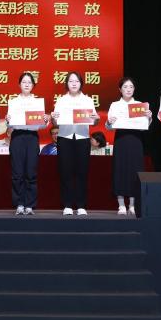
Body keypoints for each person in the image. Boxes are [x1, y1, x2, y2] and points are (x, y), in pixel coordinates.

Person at [51, 71, 97, 216]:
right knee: (66, 172)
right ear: (67, 83)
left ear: (81, 83)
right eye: (71, 81)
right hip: (65, 138)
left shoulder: (88, 100)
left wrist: (96, 119)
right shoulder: (61, 100)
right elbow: (55, 123)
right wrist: (53, 118)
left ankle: (81, 205)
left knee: (82, 172)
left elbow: (94, 121)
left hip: (82, 138)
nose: (74, 83)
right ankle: (68, 205)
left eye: (76, 81)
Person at [105, 77, 152, 216]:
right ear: (120, 89)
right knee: (120, 170)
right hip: (121, 139)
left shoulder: (140, 105)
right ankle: (121, 205)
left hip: (136, 140)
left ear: (134, 89)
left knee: (135, 171)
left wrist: (149, 117)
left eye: (131, 87)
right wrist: (109, 121)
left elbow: (143, 127)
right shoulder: (115, 105)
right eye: (125, 87)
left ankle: (132, 204)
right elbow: (108, 127)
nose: (128, 89)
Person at [5, 72, 50, 216]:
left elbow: (41, 126)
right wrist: (8, 120)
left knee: (31, 172)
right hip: (17, 137)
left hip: (32, 137)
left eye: (29, 82)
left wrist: (45, 120)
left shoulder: (37, 103)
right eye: (24, 82)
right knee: (17, 173)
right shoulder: (14, 102)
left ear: (33, 85)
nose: (26, 85)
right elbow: (10, 124)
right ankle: (19, 204)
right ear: (19, 84)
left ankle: (30, 205)